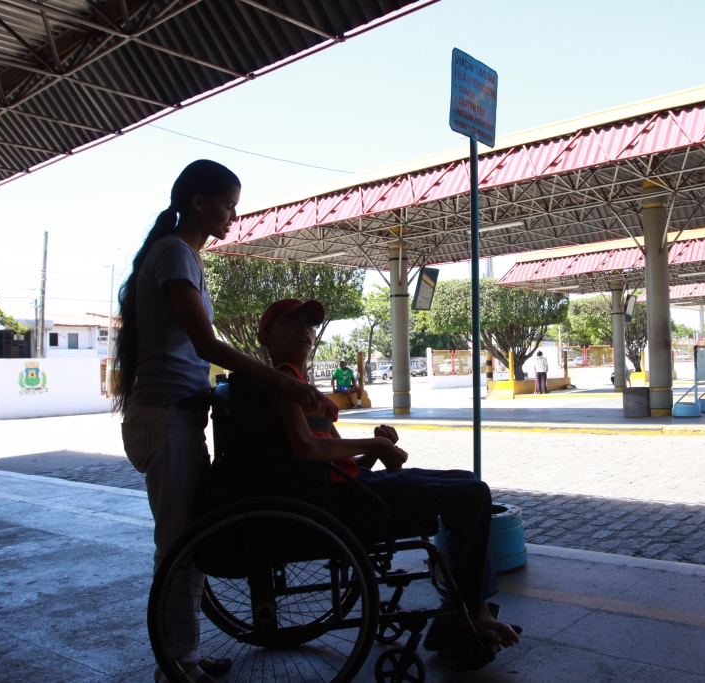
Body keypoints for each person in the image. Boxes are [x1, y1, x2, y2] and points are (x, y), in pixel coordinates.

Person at [116, 161, 326, 683]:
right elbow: (206, 344)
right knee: (177, 546)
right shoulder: (173, 254)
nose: (234, 214)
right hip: (164, 419)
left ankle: (183, 656)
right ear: (196, 201)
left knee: (191, 540)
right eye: (228, 204)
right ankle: (175, 666)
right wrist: (280, 382)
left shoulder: (180, 254)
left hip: (179, 417)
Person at [254, 298, 520, 663]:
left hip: (352, 483)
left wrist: (374, 453)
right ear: (264, 336)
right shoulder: (285, 380)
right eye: (291, 322)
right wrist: (375, 443)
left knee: (468, 483)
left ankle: (470, 607)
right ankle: (472, 612)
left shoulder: (299, 384)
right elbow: (305, 449)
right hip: (347, 498)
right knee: (472, 493)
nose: (304, 329)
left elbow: (333, 462)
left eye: (308, 324)